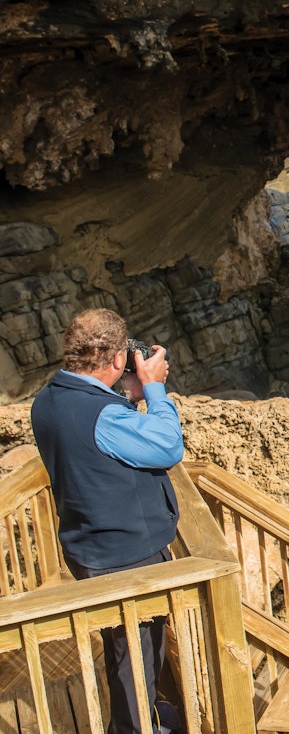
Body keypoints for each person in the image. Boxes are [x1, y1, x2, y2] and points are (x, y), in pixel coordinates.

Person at [30, 309, 183, 734]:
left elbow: (93, 449)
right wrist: (154, 389)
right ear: (118, 360)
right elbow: (169, 446)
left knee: (123, 651)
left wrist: (125, 394)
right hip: (128, 555)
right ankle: (137, 727)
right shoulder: (105, 416)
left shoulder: (47, 400)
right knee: (135, 658)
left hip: (88, 548)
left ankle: (144, 716)